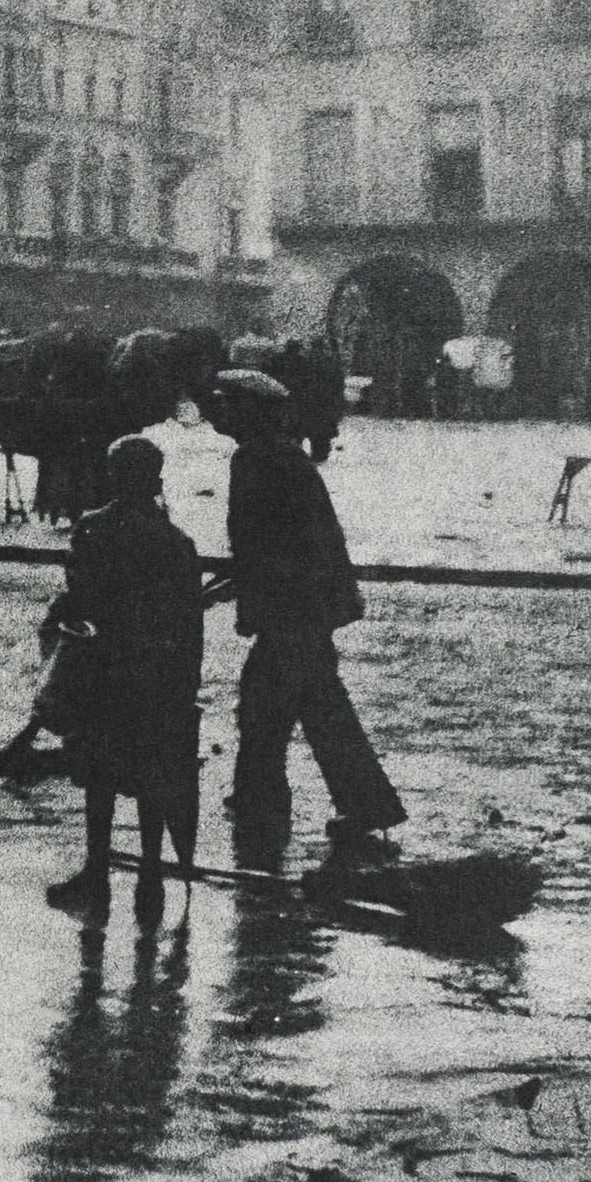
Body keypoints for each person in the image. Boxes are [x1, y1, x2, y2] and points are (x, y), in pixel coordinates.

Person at [212, 366, 407, 867]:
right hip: (302, 607)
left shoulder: (258, 460)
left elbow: (271, 545)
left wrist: (247, 590)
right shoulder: (280, 458)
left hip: (293, 609)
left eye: (227, 402)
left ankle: (339, 805)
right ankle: (271, 798)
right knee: (281, 705)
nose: (219, 410)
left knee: (303, 709)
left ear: (249, 413)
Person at [38, 436, 221, 922]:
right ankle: (150, 879)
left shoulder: (93, 530)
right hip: (157, 677)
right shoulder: (178, 543)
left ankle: (96, 873)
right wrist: (186, 685)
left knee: (99, 776)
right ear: (157, 480)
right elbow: (189, 623)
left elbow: (77, 601)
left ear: (113, 475)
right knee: (153, 774)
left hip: (104, 671)